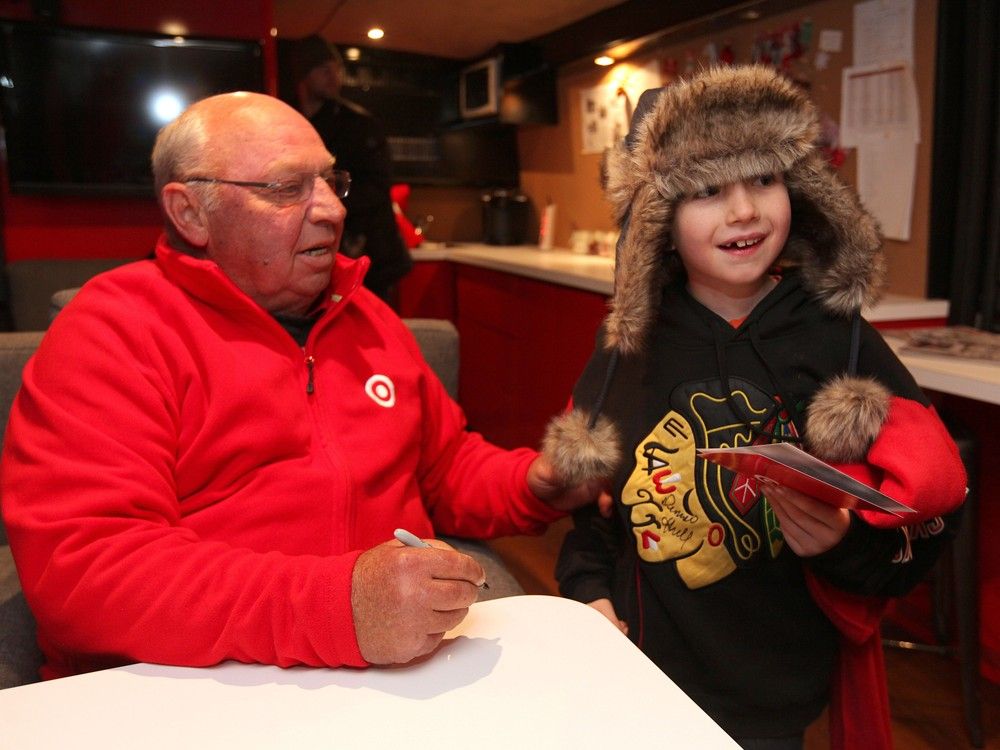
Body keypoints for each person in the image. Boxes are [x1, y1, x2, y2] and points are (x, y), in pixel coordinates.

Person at [0, 91, 601, 680]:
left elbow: (443, 466)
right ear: (190, 212)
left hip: (397, 666)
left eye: (330, 183)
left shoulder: (370, 318)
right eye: (287, 189)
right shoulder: (111, 328)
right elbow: (87, 569)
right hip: (195, 685)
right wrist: (337, 608)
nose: (333, 211)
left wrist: (534, 483)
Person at [541, 66, 967, 750]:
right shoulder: (630, 344)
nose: (744, 211)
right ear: (658, 215)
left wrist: (844, 544)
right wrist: (589, 592)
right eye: (708, 190)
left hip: (775, 695)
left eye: (763, 179)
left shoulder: (834, 333)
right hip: (640, 673)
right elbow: (594, 511)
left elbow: (934, 513)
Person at [279, 35, 412, 304]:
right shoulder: (284, 120)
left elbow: (377, 186)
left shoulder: (360, 125)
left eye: (337, 68)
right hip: (314, 253)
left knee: (374, 335)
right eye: (324, 69)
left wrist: (323, 202)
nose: (334, 75)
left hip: (370, 255)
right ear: (304, 75)